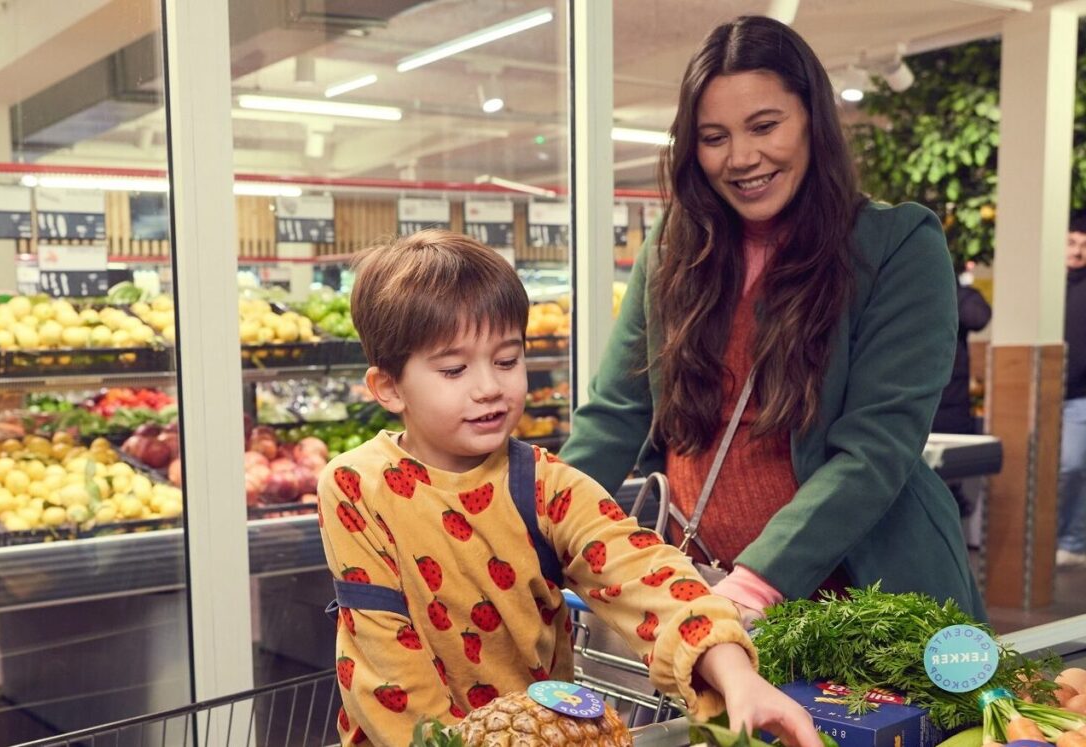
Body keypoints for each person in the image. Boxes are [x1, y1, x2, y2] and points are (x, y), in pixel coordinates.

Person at [318, 229, 819, 747]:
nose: (489, 385)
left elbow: (644, 570)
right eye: (454, 368)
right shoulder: (356, 488)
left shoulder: (541, 483)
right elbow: (387, 666)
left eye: (508, 360)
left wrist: (734, 671)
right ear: (389, 388)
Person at [559, 15, 985, 623]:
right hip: (702, 588)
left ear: (812, 117)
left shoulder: (897, 245)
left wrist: (753, 587)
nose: (742, 157)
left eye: (765, 125)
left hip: (861, 600)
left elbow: (876, 446)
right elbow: (615, 414)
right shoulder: (675, 248)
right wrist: (532, 538)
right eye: (713, 136)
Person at [934, 268, 991, 519]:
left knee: (947, 490)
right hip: (912, 405)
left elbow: (978, 317)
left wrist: (944, 289)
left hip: (950, 410)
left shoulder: (960, 296)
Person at [1057, 212, 1086, 567]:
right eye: (1071, 242)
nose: (1077, 251)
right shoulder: (1049, 284)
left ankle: (1073, 542)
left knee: (1072, 466)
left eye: (1083, 244)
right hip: (1045, 394)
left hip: (1080, 396)